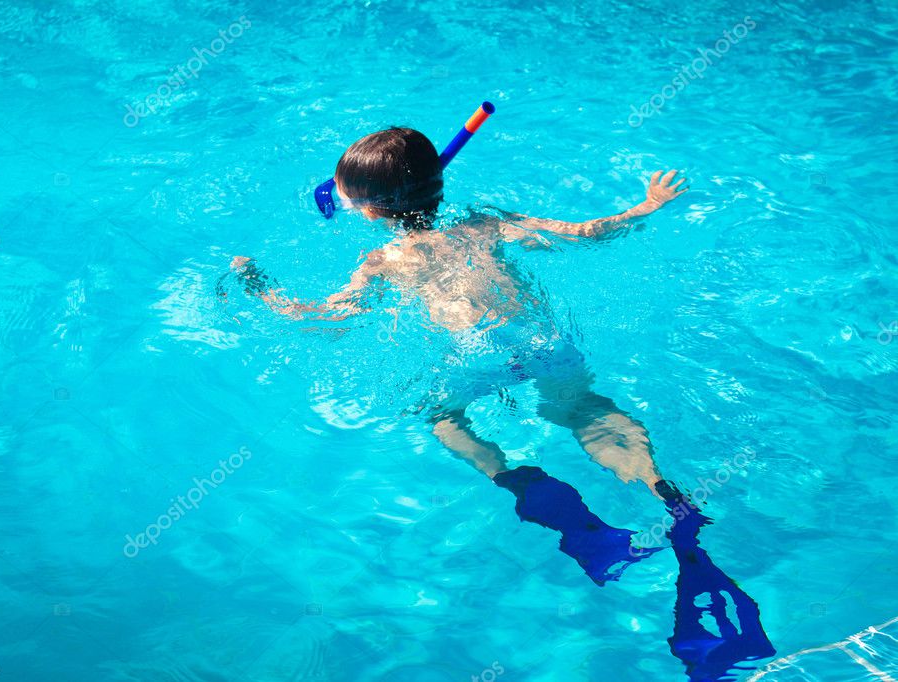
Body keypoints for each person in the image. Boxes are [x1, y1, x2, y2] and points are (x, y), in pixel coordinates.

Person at [232, 126, 772, 674]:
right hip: (542, 339)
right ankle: (670, 502)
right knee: (583, 408)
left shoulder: (384, 261)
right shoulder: (485, 222)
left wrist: (261, 291)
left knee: (440, 415)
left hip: (481, 350)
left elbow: (328, 321)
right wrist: (646, 206)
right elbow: (583, 233)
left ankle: (544, 501)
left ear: (372, 211)